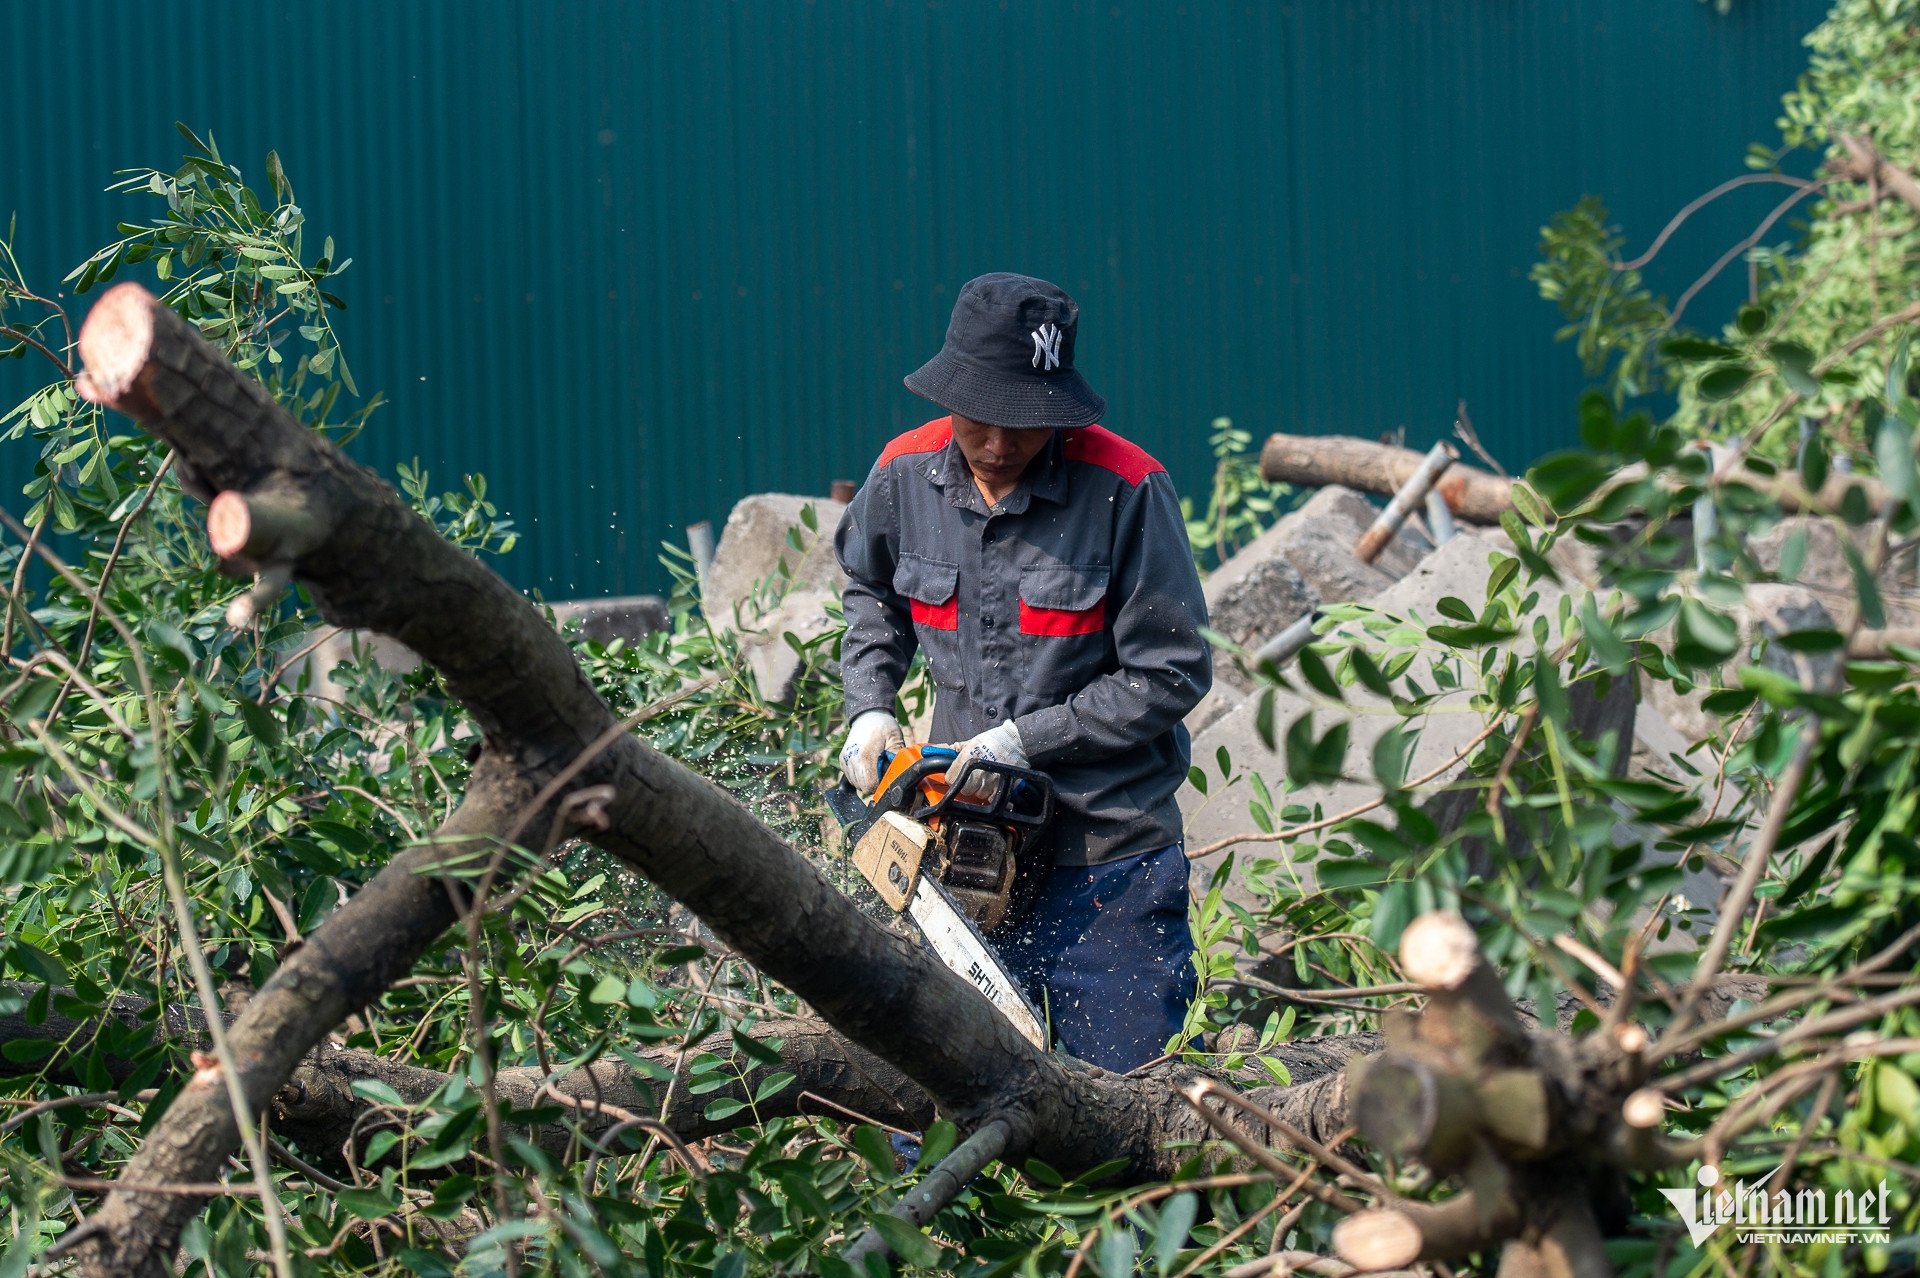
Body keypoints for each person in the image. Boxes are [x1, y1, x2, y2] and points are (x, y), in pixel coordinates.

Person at [833, 272, 1212, 1072]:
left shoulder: (1127, 490)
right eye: (982, 419)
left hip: (1108, 859)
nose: (1001, 444)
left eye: (1026, 424)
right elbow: (870, 593)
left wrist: (1026, 740)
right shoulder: (903, 475)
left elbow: (1171, 671)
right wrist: (870, 704)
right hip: (964, 844)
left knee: (1139, 1105)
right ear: (949, 393)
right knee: (947, 1095)